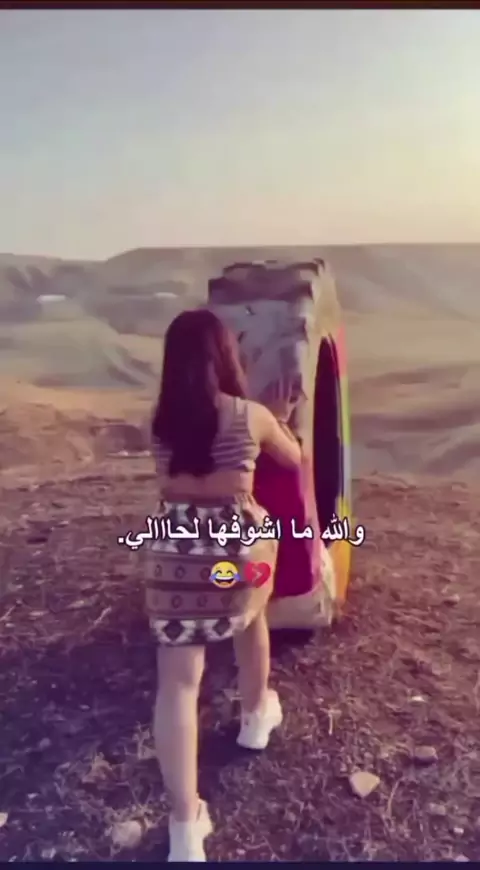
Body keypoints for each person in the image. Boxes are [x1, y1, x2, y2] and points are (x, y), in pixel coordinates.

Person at [144, 308, 302, 861]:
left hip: (174, 557)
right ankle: (256, 718)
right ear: (224, 357)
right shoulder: (250, 416)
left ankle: (185, 828)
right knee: (252, 615)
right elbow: (294, 458)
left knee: (177, 685)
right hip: (236, 553)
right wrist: (278, 419)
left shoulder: (157, 422)